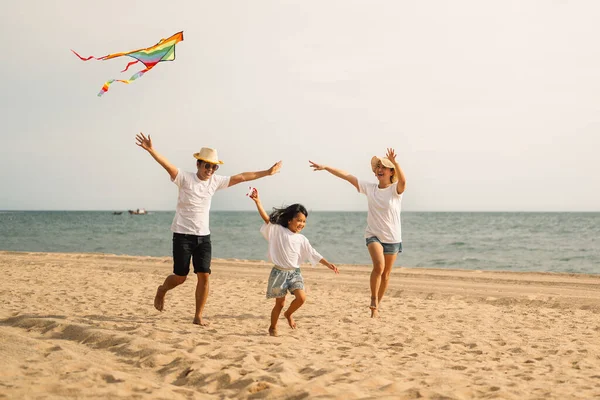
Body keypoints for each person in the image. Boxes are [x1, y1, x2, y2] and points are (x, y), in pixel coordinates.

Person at [135, 132, 282, 325]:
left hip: (204, 237)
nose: (210, 169)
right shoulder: (184, 178)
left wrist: (267, 172)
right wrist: (151, 150)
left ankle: (198, 316)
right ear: (198, 164)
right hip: (182, 235)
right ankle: (162, 290)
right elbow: (167, 165)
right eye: (207, 165)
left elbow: (242, 177)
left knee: (204, 276)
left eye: (214, 166)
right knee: (180, 277)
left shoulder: (215, 182)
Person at [309, 148, 406, 318]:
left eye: (384, 167)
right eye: (378, 167)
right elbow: (347, 176)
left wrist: (396, 162)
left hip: (393, 238)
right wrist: (326, 167)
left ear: (392, 172)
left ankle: (376, 308)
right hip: (373, 234)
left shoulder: (395, 191)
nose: (380, 169)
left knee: (386, 275)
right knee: (379, 267)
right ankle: (373, 299)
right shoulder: (370, 188)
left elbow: (404, 182)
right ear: (376, 172)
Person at [248, 188, 339, 336]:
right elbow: (266, 219)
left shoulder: (302, 239)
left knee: (301, 298)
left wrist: (328, 264)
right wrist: (258, 201)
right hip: (279, 273)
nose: (302, 224)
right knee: (280, 303)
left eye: (304, 221)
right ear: (289, 220)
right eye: (299, 220)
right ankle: (273, 327)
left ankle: (289, 314)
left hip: (294, 273)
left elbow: (312, 252)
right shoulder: (278, 230)